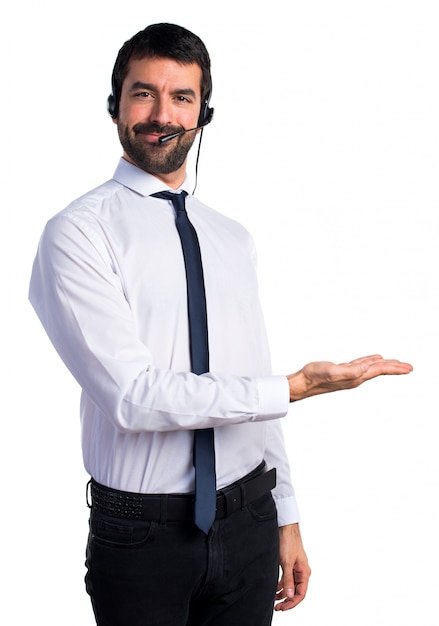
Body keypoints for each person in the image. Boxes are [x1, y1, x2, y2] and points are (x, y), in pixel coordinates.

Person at [28, 23, 412, 626]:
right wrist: (296, 388)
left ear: (204, 114)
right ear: (114, 106)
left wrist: (285, 513)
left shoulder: (233, 238)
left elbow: (248, 381)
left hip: (251, 522)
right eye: (143, 93)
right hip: (142, 538)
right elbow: (132, 396)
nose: (162, 114)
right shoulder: (78, 233)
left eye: (181, 97)